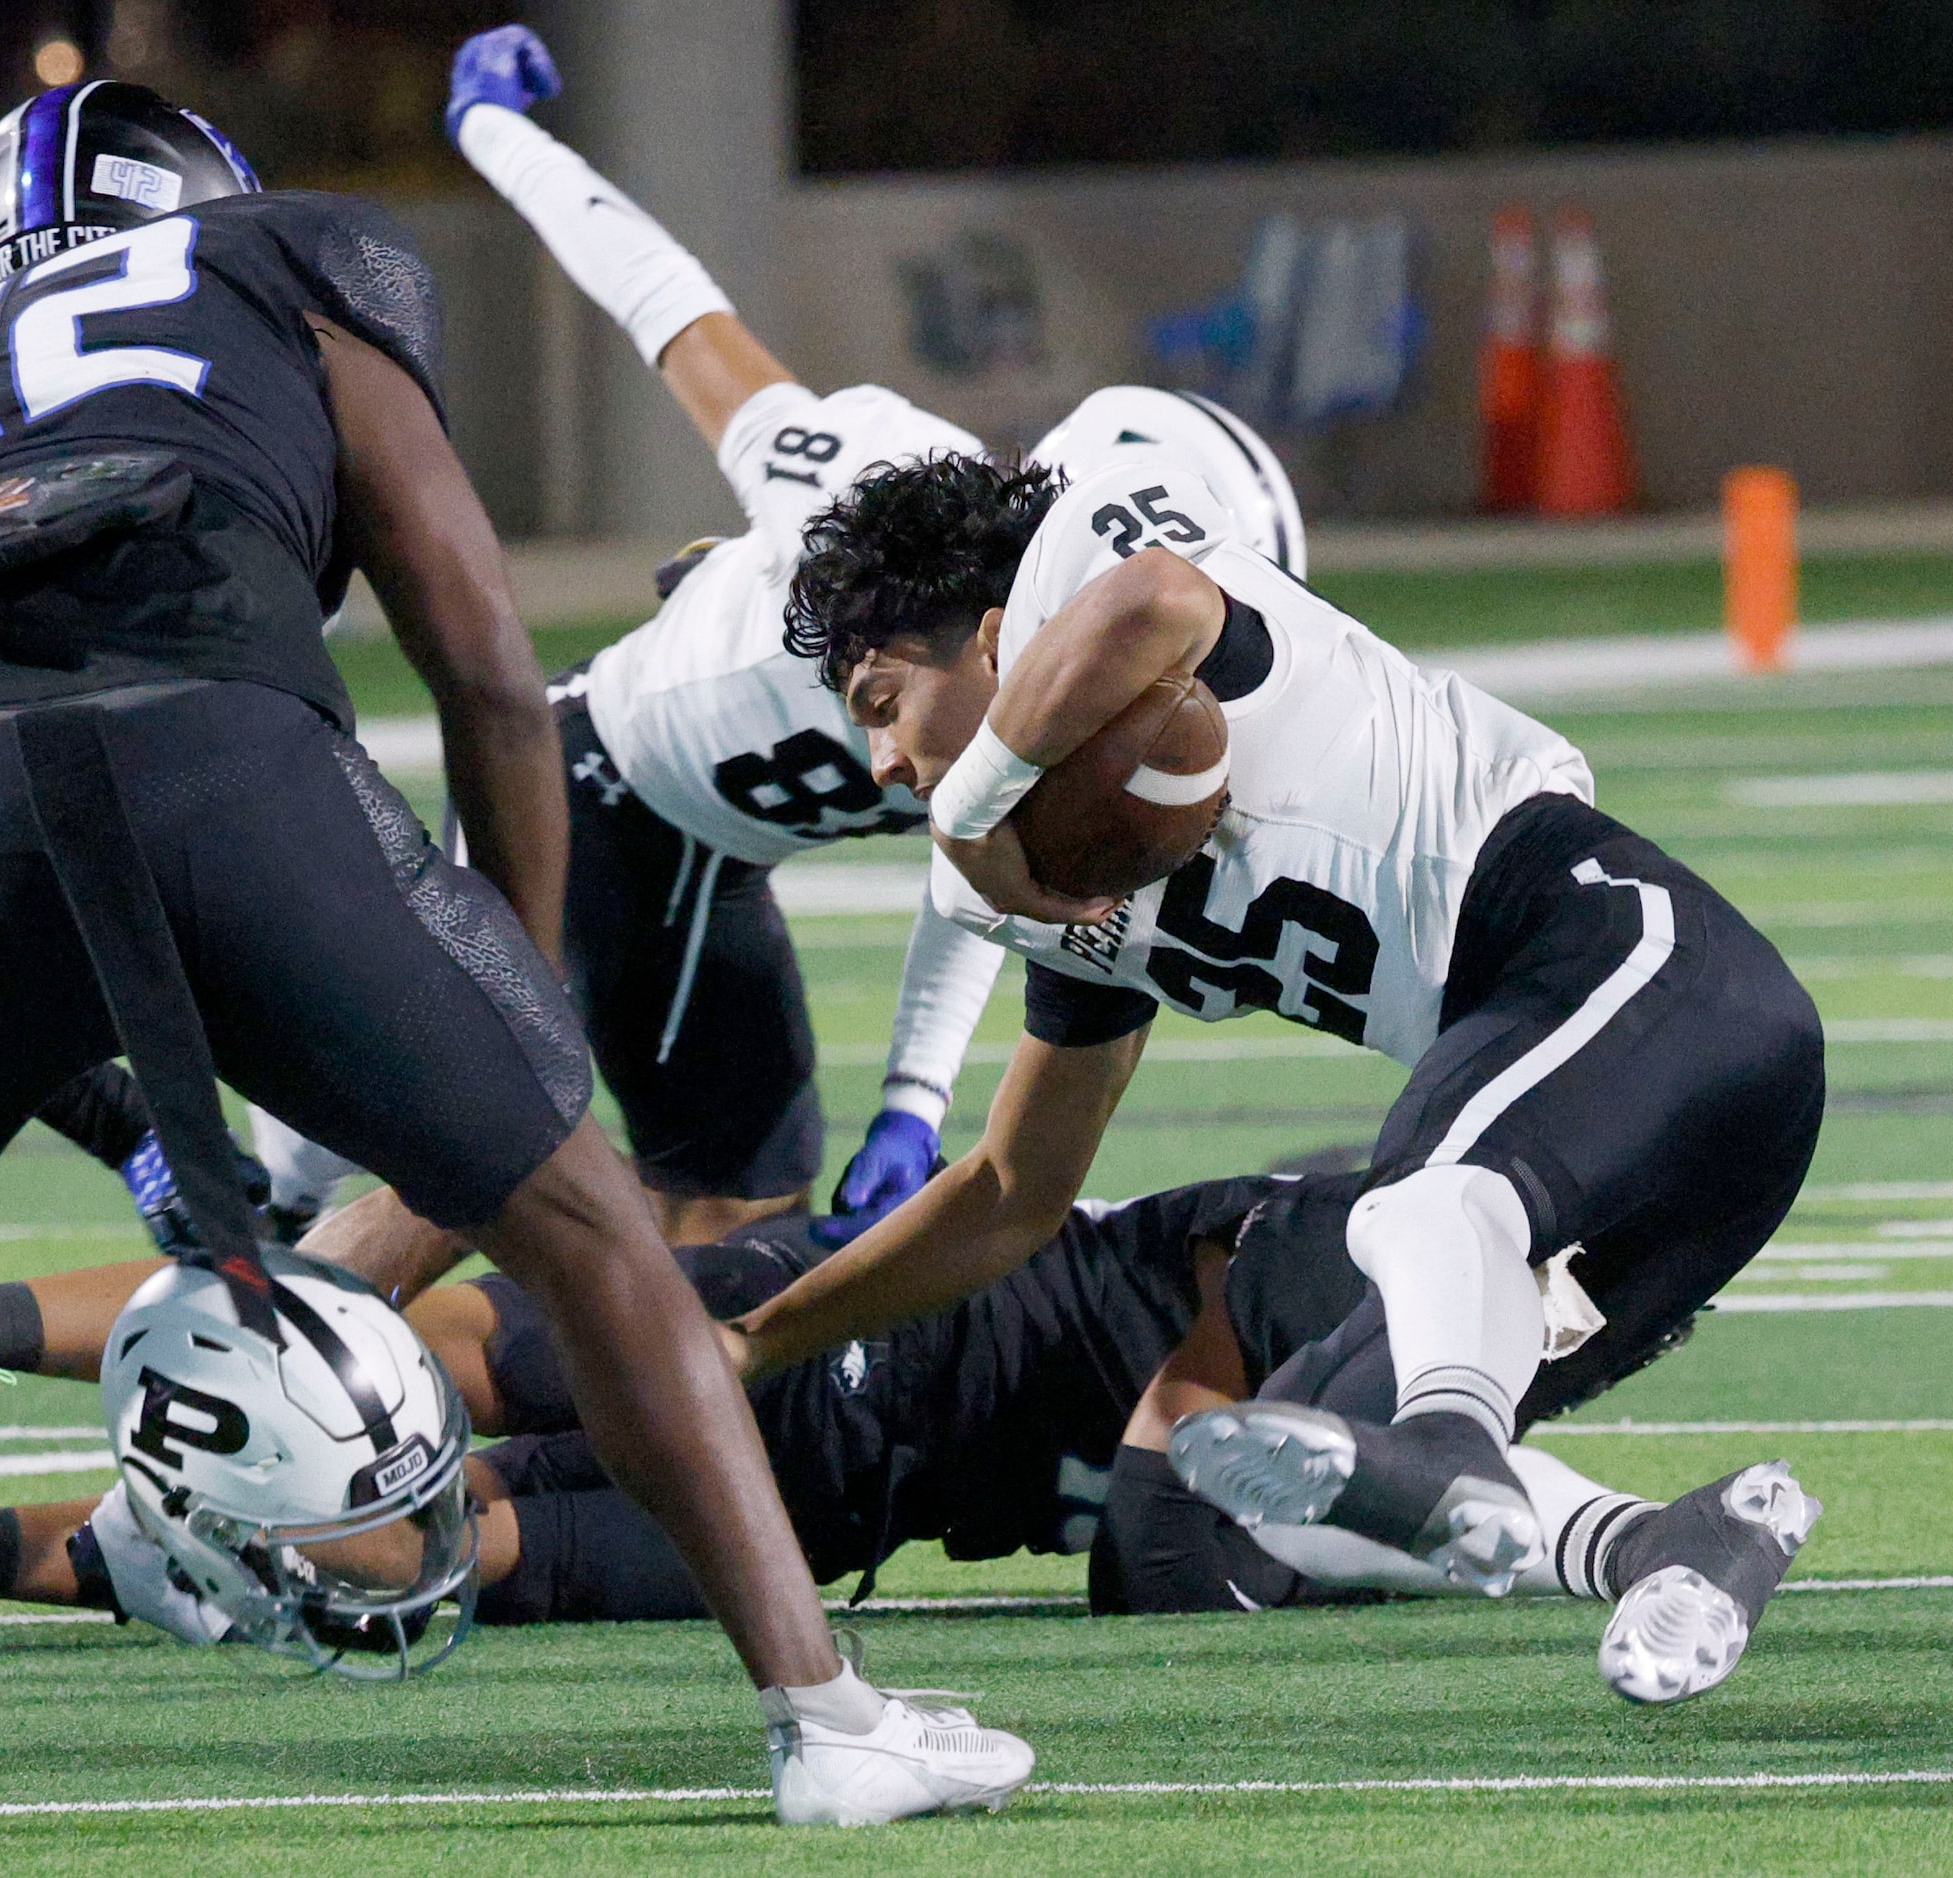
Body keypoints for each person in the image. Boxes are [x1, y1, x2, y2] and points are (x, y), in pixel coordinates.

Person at [0, 82, 1028, 1826]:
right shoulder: (287, 265)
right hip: (222, 752)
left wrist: (106, 1094)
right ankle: (826, 1719)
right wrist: (519, 969)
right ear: (198, 200)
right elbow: (482, 652)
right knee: (579, 1217)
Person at [726, 429, 1825, 1676]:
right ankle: (1667, 1545)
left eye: (884, 704)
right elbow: (1010, 1194)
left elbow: (1160, 602)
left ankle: (1449, 1431)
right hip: (1614, 1180)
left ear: (990, 642)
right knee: (1198, 1533)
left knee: (1420, 1195)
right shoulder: (1051, 876)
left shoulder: (1083, 564)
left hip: (1639, 967)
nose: (881, 762)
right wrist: (760, 1340)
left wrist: (974, 804)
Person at [253, 26, 1311, 1248]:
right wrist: (495, 130)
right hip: (581, 783)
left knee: (734, 1228)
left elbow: (978, 846)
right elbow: (668, 307)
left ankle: (340, 1257)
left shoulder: (1047, 650)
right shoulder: (869, 488)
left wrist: (914, 1103)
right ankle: (278, 1237)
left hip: (709, 854)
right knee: (497, 1162)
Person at [0, 1166, 1817, 1705]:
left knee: (404, 1552)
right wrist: (1249, 1469)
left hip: (841, 1516)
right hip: (838, 1338)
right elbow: (1194, 1446)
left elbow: (1189, 1544)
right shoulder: (1370, 1236)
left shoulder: (1444, 1410)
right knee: (410, 1349)